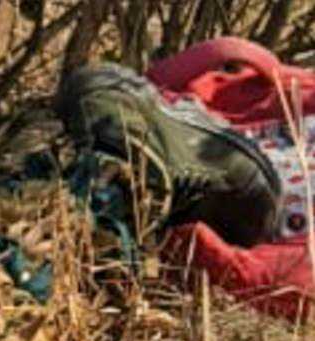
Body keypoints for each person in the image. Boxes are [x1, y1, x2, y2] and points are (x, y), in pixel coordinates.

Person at [58, 37, 315, 319]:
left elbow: (269, 282)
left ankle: (118, 187)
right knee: (97, 81)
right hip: (182, 122)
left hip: (238, 202)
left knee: (102, 102)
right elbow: (206, 63)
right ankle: (102, 181)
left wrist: (183, 238)